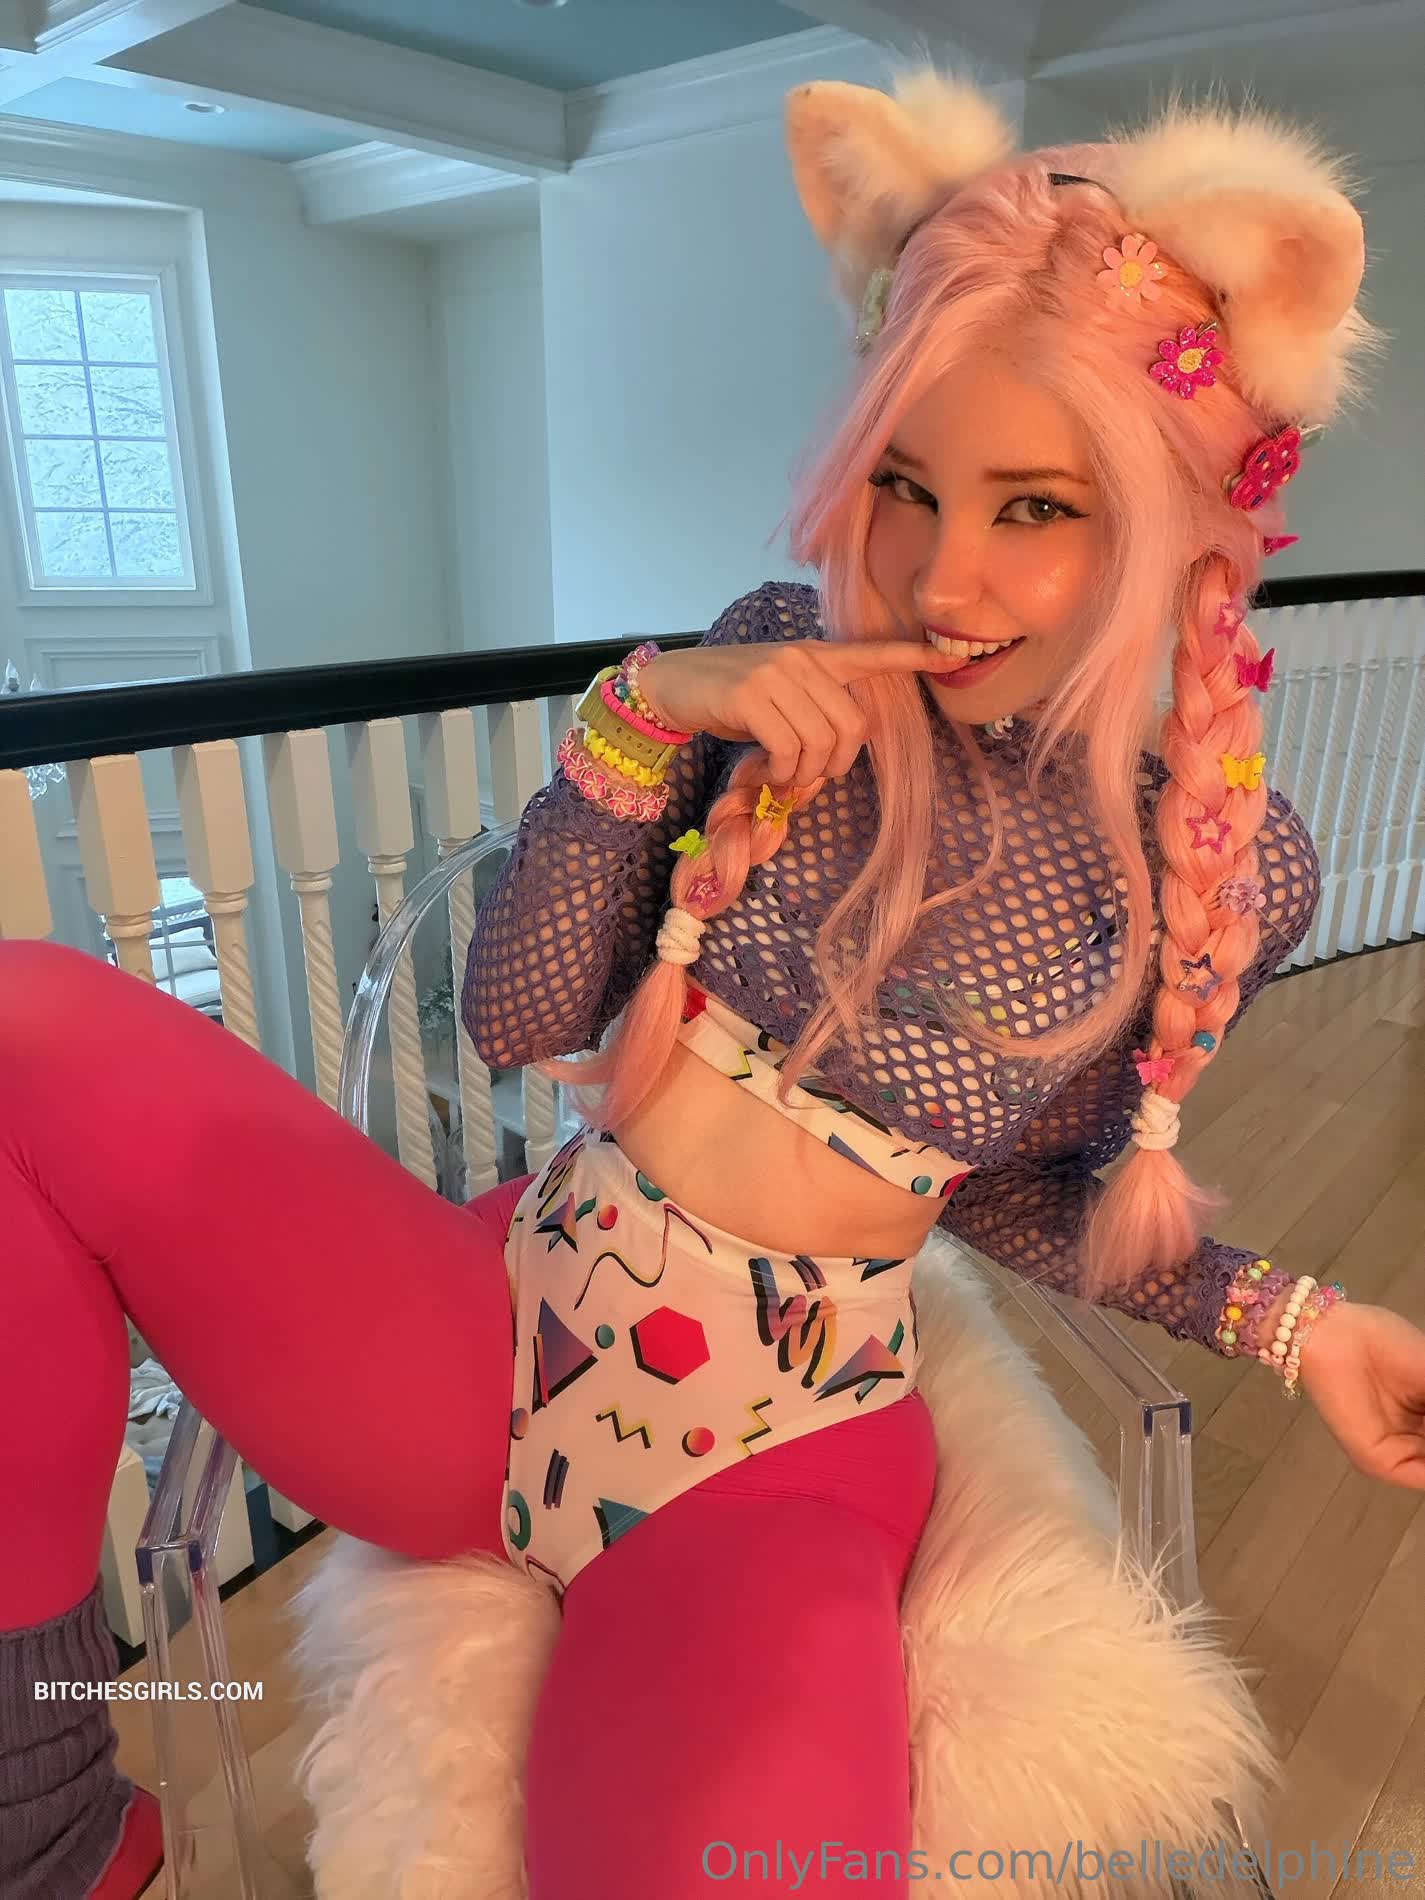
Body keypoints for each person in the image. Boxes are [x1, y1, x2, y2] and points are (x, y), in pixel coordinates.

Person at [2, 68, 1423, 1900]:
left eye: (1034, 507)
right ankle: (47, 1820)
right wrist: (642, 714)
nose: (937, 574)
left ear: (1171, 517)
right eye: (902, 484)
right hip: (495, 1327)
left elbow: (1016, 1191)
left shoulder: (1207, 865)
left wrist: (1300, 1328)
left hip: (767, 1459)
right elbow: (518, 1021)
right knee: (24, 1027)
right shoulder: (769, 663)